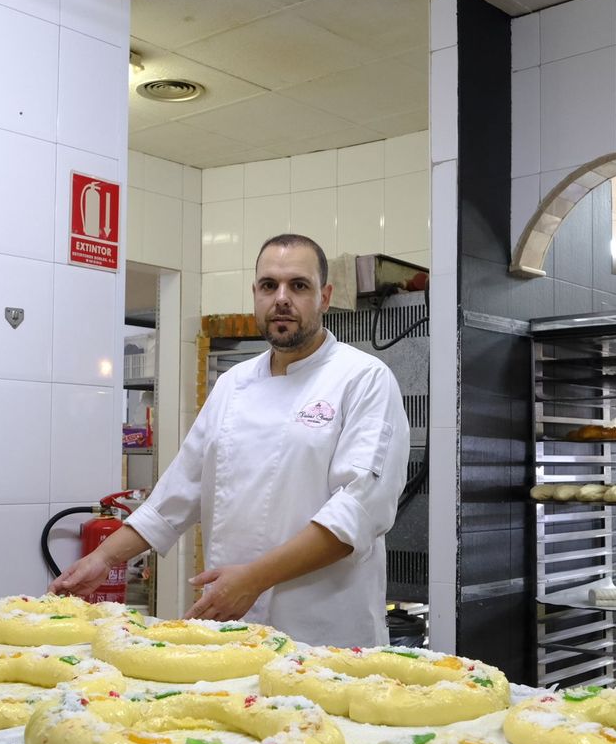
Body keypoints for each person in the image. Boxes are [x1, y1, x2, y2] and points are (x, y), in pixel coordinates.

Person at [50, 233, 411, 647]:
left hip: (325, 635)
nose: (281, 299)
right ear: (255, 294)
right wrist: (102, 558)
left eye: (298, 285)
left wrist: (253, 580)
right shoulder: (233, 384)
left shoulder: (363, 379)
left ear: (324, 297)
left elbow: (354, 515)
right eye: (269, 285)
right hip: (232, 629)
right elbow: (177, 493)